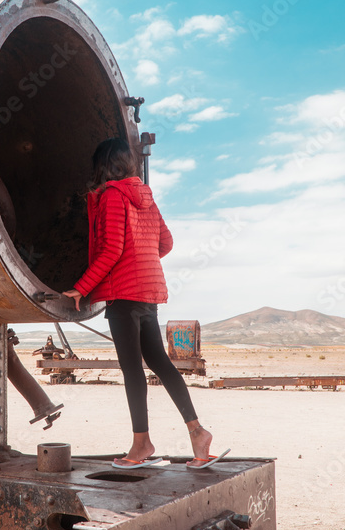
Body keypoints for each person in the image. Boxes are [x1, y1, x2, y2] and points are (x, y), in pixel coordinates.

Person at [63, 137, 228, 469]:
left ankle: (141, 445)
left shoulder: (112, 196)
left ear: (103, 165)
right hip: (148, 291)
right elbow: (165, 242)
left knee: (132, 369)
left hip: (123, 291)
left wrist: (81, 288)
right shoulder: (146, 198)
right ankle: (197, 433)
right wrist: (143, 256)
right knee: (160, 363)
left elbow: (111, 250)